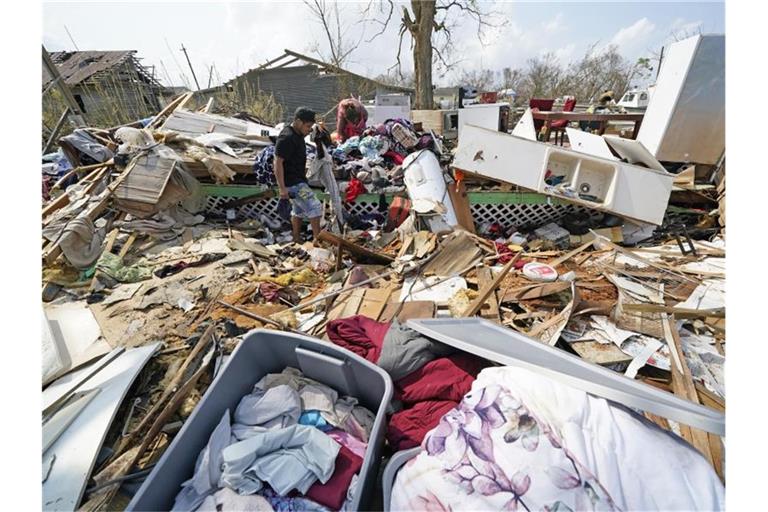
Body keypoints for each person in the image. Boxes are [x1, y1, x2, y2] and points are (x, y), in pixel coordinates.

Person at [274, 107, 324, 243]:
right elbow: (277, 162)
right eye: (308, 126)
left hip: (297, 180)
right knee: (315, 206)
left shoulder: (298, 135)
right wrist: (282, 188)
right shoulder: (287, 137)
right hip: (293, 184)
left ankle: (296, 238)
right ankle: (317, 240)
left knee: (299, 210)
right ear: (298, 121)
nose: (309, 130)